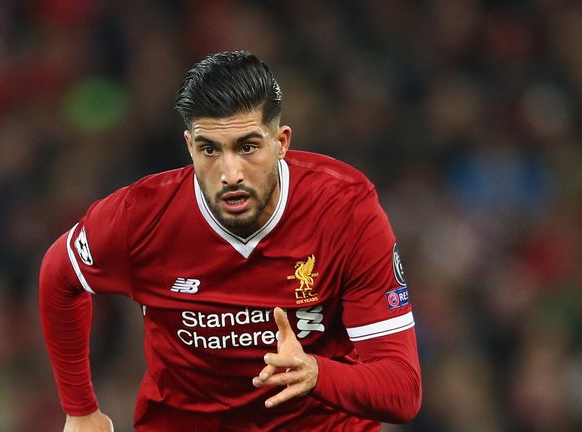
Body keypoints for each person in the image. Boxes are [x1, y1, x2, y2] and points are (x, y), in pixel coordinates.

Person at [39, 50, 422, 431]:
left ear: (282, 141)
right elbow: (58, 276)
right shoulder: (139, 218)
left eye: (248, 147)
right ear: (190, 147)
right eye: (210, 150)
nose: (230, 173)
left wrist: (316, 374)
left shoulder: (345, 211)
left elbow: (403, 391)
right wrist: (80, 409)